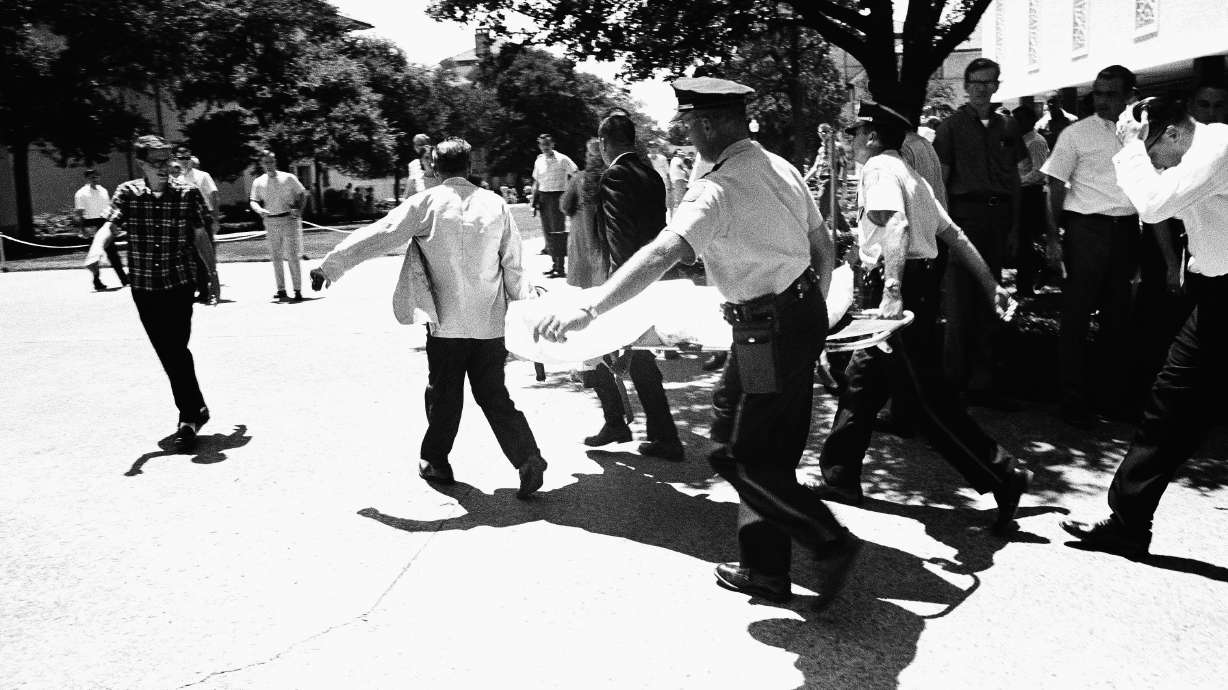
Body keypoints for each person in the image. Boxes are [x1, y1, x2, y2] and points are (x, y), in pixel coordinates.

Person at [531, 77, 860, 609]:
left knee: (736, 452)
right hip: (794, 318)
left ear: (707, 123)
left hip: (765, 331)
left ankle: (829, 541)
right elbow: (823, 252)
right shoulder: (782, 168)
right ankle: (765, 570)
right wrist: (810, 321)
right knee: (769, 448)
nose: (686, 132)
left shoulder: (715, 187)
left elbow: (662, 252)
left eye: (688, 123)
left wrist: (589, 306)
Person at [807, 100, 1031, 534]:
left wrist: (891, 290)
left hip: (898, 285)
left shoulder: (878, 170)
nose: (849, 139)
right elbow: (956, 235)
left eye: (854, 132)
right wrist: (992, 285)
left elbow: (896, 226)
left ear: (871, 136)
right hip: (916, 282)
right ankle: (840, 476)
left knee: (926, 399)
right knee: (860, 382)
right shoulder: (911, 176)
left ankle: (1003, 475)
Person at [310, 138, 547, 499]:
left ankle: (436, 460)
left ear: (435, 169)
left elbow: (380, 235)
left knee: (444, 395)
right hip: (490, 324)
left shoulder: (426, 203)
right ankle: (527, 456)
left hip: (445, 323)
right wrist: (529, 317)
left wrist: (331, 266)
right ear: (470, 167)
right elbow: (514, 267)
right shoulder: (496, 204)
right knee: (494, 395)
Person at [1061, 95, 1228, 557]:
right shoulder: (1195, 150)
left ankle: (1127, 521)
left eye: (1153, 150)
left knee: (1175, 405)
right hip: (1217, 297)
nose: (1150, 161)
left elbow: (1152, 207)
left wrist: (1131, 147)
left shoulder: (1216, 150)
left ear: (1173, 132)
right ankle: (1128, 522)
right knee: (1172, 405)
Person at [87, 135, 218, 451]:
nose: (164, 168)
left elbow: (201, 235)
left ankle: (192, 413)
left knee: (176, 348)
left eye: (166, 161)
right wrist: (95, 249)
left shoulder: (187, 194)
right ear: (142, 163)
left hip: (180, 282)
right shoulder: (128, 193)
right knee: (169, 351)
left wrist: (211, 273)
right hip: (145, 287)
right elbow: (110, 225)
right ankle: (192, 412)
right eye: (156, 163)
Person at [579, 114, 684, 461]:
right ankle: (649, 430)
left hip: (627, 278)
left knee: (595, 347)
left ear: (604, 141)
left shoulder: (616, 175)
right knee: (634, 357)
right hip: (652, 275)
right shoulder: (650, 173)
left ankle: (627, 425)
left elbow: (618, 236)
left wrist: (615, 288)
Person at [1041, 65, 1140, 428]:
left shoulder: (1143, 134)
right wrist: (1053, 238)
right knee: (1076, 317)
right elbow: (1052, 186)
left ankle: (1111, 398)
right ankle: (1072, 399)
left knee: (1119, 319)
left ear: (1130, 94)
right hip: (1086, 231)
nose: (1103, 100)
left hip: (1128, 231)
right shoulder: (1075, 134)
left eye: (1112, 93)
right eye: (1098, 93)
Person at [933, 57, 1025, 405]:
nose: (983, 89)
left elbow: (1014, 179)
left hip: (997, 217)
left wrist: (1015, 226)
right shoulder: (950, 127)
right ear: (966, 86)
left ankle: (983, 382)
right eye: (976, 82)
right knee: (958, 303)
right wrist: (946, 230)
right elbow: (941, 182)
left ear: (997, 86)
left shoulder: (1008, 125)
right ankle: (952, 385)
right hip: (964, 217)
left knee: (992, 298)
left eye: (990, 82)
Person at [249, 149, 307, 302]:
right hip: (271, 221)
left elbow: (302, 193)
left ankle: (297, 290)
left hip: (288, 219)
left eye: (271, 161)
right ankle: (281, 289)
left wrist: (299, 210)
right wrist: (259, 209)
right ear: (262, 164)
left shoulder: (288, 178)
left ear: (275, 162)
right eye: (266, 162)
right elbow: (253, 200)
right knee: (276, 257)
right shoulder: (259, 181)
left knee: (292, 256)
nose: (269, 165)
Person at [561, 138, 610, 289]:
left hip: (582, 235)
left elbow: (566, 206)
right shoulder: (610, 178)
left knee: (585, 283)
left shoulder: (578, 179)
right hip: (604, 236)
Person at [1013, 105, 1051, 297]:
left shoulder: (1036, 142)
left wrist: (1016, 183)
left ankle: (1030, 281)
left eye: (1020, 119)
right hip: (1019, 193)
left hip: (1030, 194)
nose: (1016, 123)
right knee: (1021, 242)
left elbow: (1039, 172)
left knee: (1027, 242)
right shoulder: (1019, 140)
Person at [174, 148, 222, 304]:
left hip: (203, 217)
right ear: (177, 159)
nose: (184, 160)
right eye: (181, 158)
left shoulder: (202, 176)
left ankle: (206, 290)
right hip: (185, 220)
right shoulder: (177, 178)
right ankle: (199, 288)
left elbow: (214, 195)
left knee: (204, 255)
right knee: (190, 256)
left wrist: (215, 217)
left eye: (187, 157)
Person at [531, 133, 578, 278]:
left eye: (547, 144)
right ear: (539, 145)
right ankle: (554, 265)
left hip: (558, 196)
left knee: (558, 232)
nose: (545, 147)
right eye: (542, 144)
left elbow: (575, 174)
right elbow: (536, 183)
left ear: (553, 144)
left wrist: (570, 194)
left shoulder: (562, 159)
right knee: (548, 232)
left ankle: (560, 267)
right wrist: (533, 203)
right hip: (543, 197)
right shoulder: (539, 161)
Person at [77, 169, 128, 290]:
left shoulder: (103, 191)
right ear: (87, 178)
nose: (95, 179)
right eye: (92, 177)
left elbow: (110, 208)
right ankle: (96, 280)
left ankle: (124, 279)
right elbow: (79, 213)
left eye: (97, 176)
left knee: (113, 253)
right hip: (91, 224)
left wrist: (113, 224)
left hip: (104, 223)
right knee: (95, 255)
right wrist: (83, 229)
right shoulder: (81, 193)